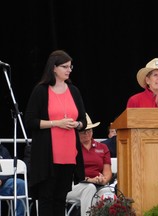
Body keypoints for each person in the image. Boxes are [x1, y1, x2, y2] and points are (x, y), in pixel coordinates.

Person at [24, 50, 87, 216]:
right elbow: (30, 121)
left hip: (69, 155)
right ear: (53, 68)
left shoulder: (74, 91)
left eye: (70, 66)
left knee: (61, 199)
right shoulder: (41, 91)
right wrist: (56, 123)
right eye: (65, 66)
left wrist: (77, 124)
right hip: (47, 156)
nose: (69, 70)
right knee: (46, 198)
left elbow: (83, 121)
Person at [66, 113, 112, 216]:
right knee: (90, 188)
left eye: (89, 130)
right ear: (76, 133)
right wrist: (89, 180)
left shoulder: (103, 147)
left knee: (107, 192)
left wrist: (103, 180)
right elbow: (70, 174)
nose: (87, 134)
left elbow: (107, 172)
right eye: (83, 132)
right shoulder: (71, 148)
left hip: (98, 185)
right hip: (75, 186)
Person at [0, 144, 26, 216]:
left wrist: (1, 180)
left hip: (3, 184)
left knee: (20, 184)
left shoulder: (3, 151)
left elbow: (10, 171)